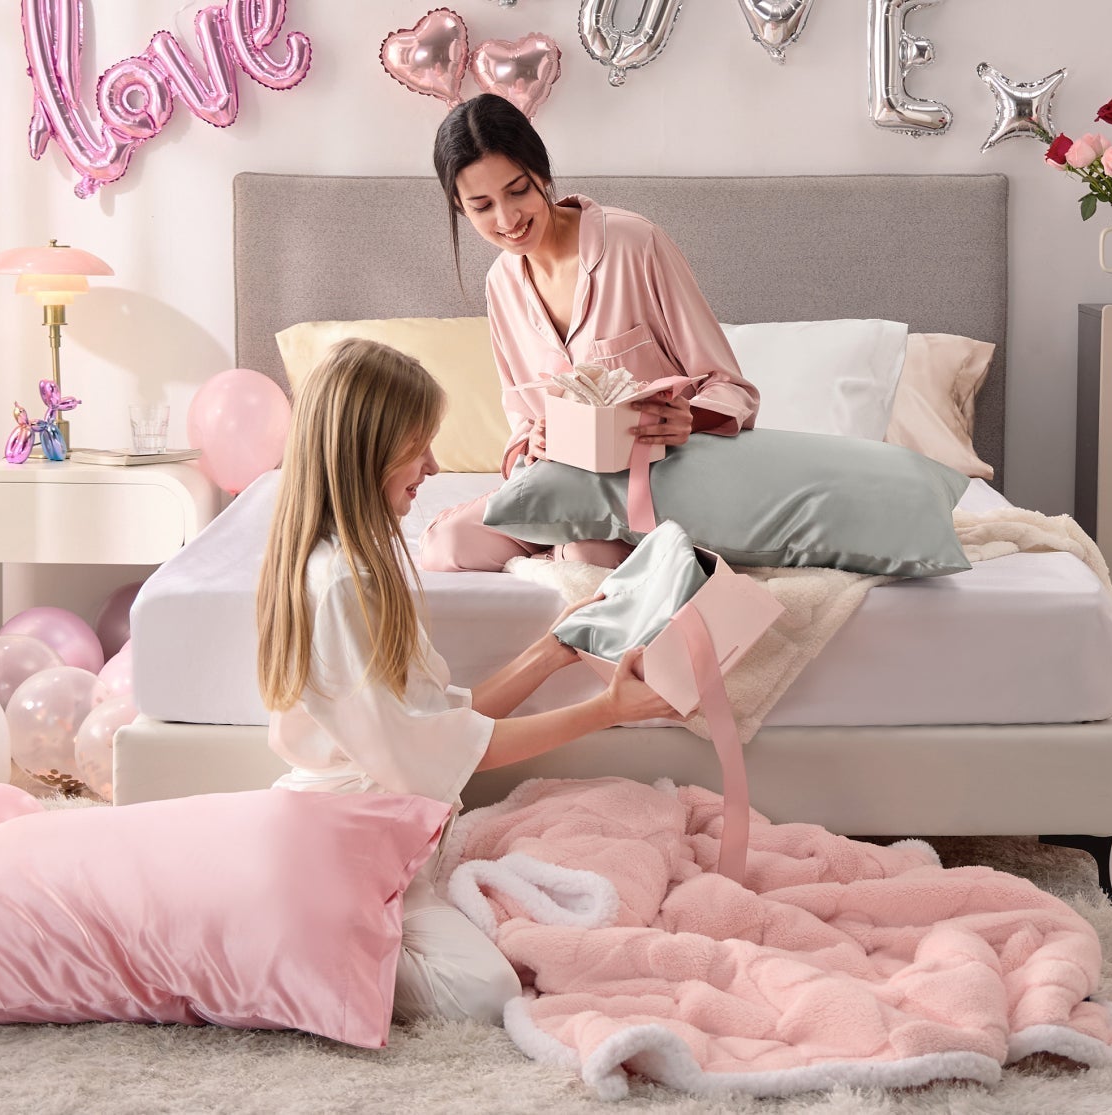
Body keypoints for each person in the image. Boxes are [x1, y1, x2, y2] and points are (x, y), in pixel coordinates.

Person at [255, 337, 680, 1025]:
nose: (435, 466)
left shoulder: (356, 567)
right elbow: (433, 755)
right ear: (368, 450)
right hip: (353, 845)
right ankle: (294, 954)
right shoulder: (343, 585)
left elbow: (439, 724)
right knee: (485, 992)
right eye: (418, 446)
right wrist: (605, 709)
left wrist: (552, 651)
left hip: (384, 833)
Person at [419, 93, 761, 573]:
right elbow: (522, 415)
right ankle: (556, 544)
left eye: (518, 191)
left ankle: (566, 551)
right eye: (481, 206)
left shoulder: (635, 244)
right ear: (460, 208)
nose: (507, 220)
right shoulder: (501, 283)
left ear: (543, 173)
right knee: (447, 546)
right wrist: (532, 440)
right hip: (561, 482)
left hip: (652, 479)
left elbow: (731, 387)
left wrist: (690, 419)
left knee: (588, 555)